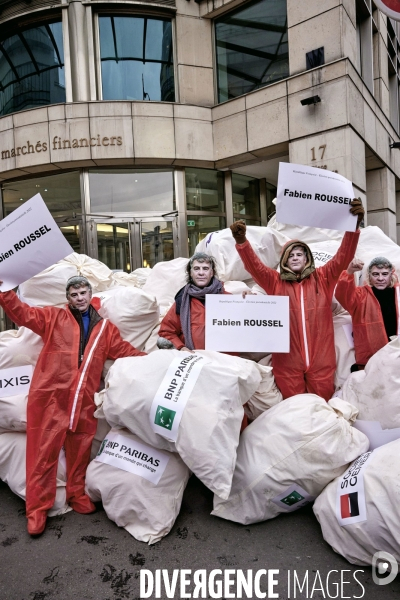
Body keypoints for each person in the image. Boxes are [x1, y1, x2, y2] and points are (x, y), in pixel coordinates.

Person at [0, 275, 146, 536]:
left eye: (83, 293)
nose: (79, 298)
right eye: (74, 294)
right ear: (67, 298)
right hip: (50, 397)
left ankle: (76, 493)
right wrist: (5, 292)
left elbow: (126, 352)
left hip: (84, 400)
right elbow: (22, 314)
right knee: (42, 454)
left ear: (91, 295)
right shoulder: (54, 318)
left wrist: (159, 357)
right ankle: (37, 509)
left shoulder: (106, 329)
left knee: (80, 450)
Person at [229, 199, 364, 401]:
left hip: (321, 361)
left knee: (321, 408)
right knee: (295, 410)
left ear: (307, 258)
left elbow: (343, 256)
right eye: (290, 255)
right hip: (287, 362)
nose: (295, 258)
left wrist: (353, 227)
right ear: (284, 261)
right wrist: (242, 243)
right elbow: (254, 267)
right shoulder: (274, 282)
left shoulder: (323, 277)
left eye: (299, 254)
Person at [335, 256, 400, 370]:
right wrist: (349, 272)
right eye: (375, 274)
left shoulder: (398, 294)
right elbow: (343, 295)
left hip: (396, 355)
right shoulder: (360, 295)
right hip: (370, 360)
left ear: (391, 275)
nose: (380, 278)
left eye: (384, 274)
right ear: (369, 276)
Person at [159, 252, 225, 351]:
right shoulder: (182, 300)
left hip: (223, 359)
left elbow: (243, 325)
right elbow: (166, 331)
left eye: (205, 269)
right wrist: (181, 348)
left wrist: (248, 299)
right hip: (194, 360)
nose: (201, 273)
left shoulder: (226, 299)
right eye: (196, 268)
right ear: (191, 273)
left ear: (212, 273)